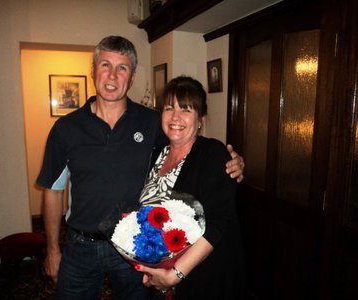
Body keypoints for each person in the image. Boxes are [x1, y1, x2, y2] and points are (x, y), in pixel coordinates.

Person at [36, 36, 245, 300]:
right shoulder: (65, 129)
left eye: (122, 67)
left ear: (132, 77)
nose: (112, 75)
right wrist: (53, 250)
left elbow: (189, 144)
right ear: (93, 70)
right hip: (81, 246)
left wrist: (234, 161)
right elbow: (53, 192)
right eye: (105, 65)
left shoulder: (152, 122)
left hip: (134, 247)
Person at [135, 76, 245, 299]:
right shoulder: (157, 154)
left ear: (201, 119)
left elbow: (216, 225)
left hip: (205, 275)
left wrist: (175, 274)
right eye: (169, 108)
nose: (175, 117)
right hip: (166, 273)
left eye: (186, 109)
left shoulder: (213, 154)